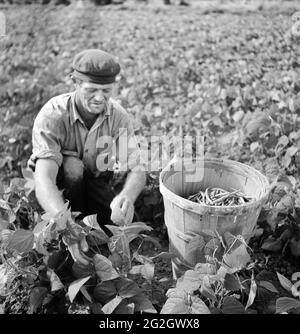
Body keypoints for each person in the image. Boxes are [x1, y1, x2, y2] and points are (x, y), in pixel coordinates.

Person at [28, 49, 146, 265]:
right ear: (75, 83)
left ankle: (87, 223)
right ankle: (73, 222)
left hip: (94, 180)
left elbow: (137, 169)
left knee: (126, 229)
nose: (100, 98)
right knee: (72, 167)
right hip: (60, 187)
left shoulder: (117, 116)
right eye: (92, 90)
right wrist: (63, 221)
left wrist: (127, 196)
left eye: (106, 90)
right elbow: (43, 178)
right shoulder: (53, 115)